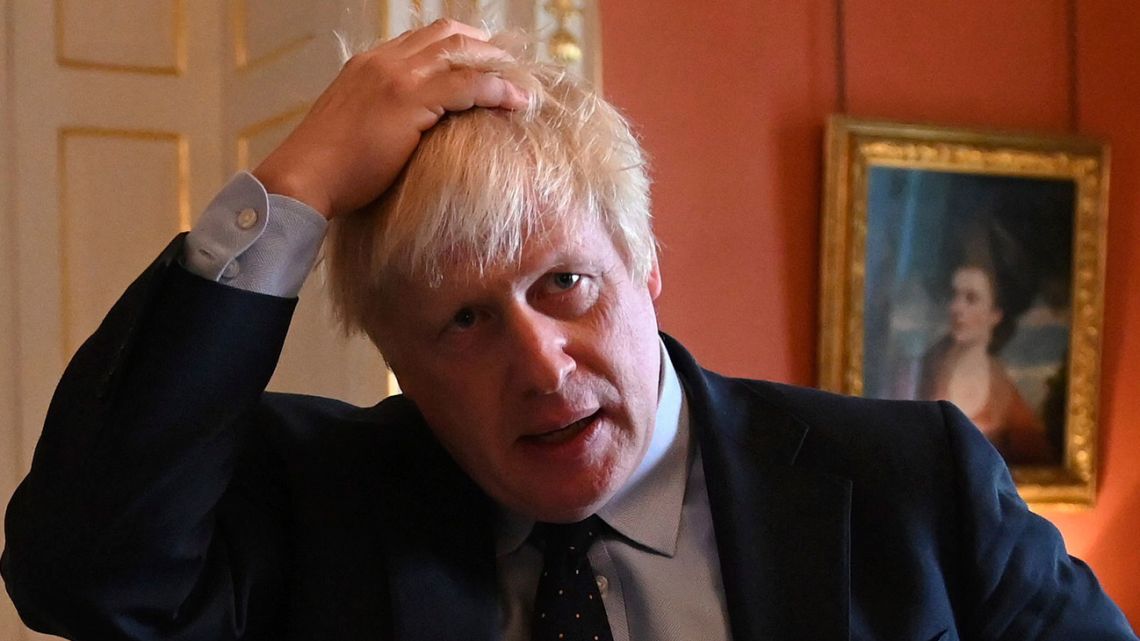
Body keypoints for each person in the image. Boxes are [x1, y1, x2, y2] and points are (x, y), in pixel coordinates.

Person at [2, 19, 1136, 641]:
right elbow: (78, 573)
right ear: (396, 356)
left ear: (645, 267)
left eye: (565, 284)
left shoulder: (912, 484)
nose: (540, 364)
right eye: (462, 321)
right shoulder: (309, 511)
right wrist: (293, 186)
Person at [919, 264, 1056, 465]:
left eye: (971, 298)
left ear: (995, 314)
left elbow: (1039, 461)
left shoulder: (1006, 395)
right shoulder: (922, 371)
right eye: (954, 295)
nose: (956, 307)